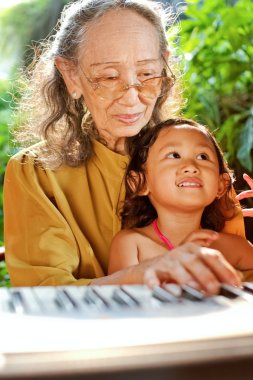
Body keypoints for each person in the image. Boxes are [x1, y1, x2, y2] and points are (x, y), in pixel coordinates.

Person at [3, 0, 245, 292]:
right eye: (108, 77)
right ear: (71, 75)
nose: (132, 97)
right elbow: (45, 293)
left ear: (164, 65)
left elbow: (237, 276)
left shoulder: (195, 157)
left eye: (147, 74)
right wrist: (146, 273)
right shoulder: (36, 172)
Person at [108, 118, 253, 277]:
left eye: (203, 157)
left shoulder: (234, 247)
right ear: (140, 182)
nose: (191, 167)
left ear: (221, 185)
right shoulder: (131, 244)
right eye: (174, 155)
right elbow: (119, 297)